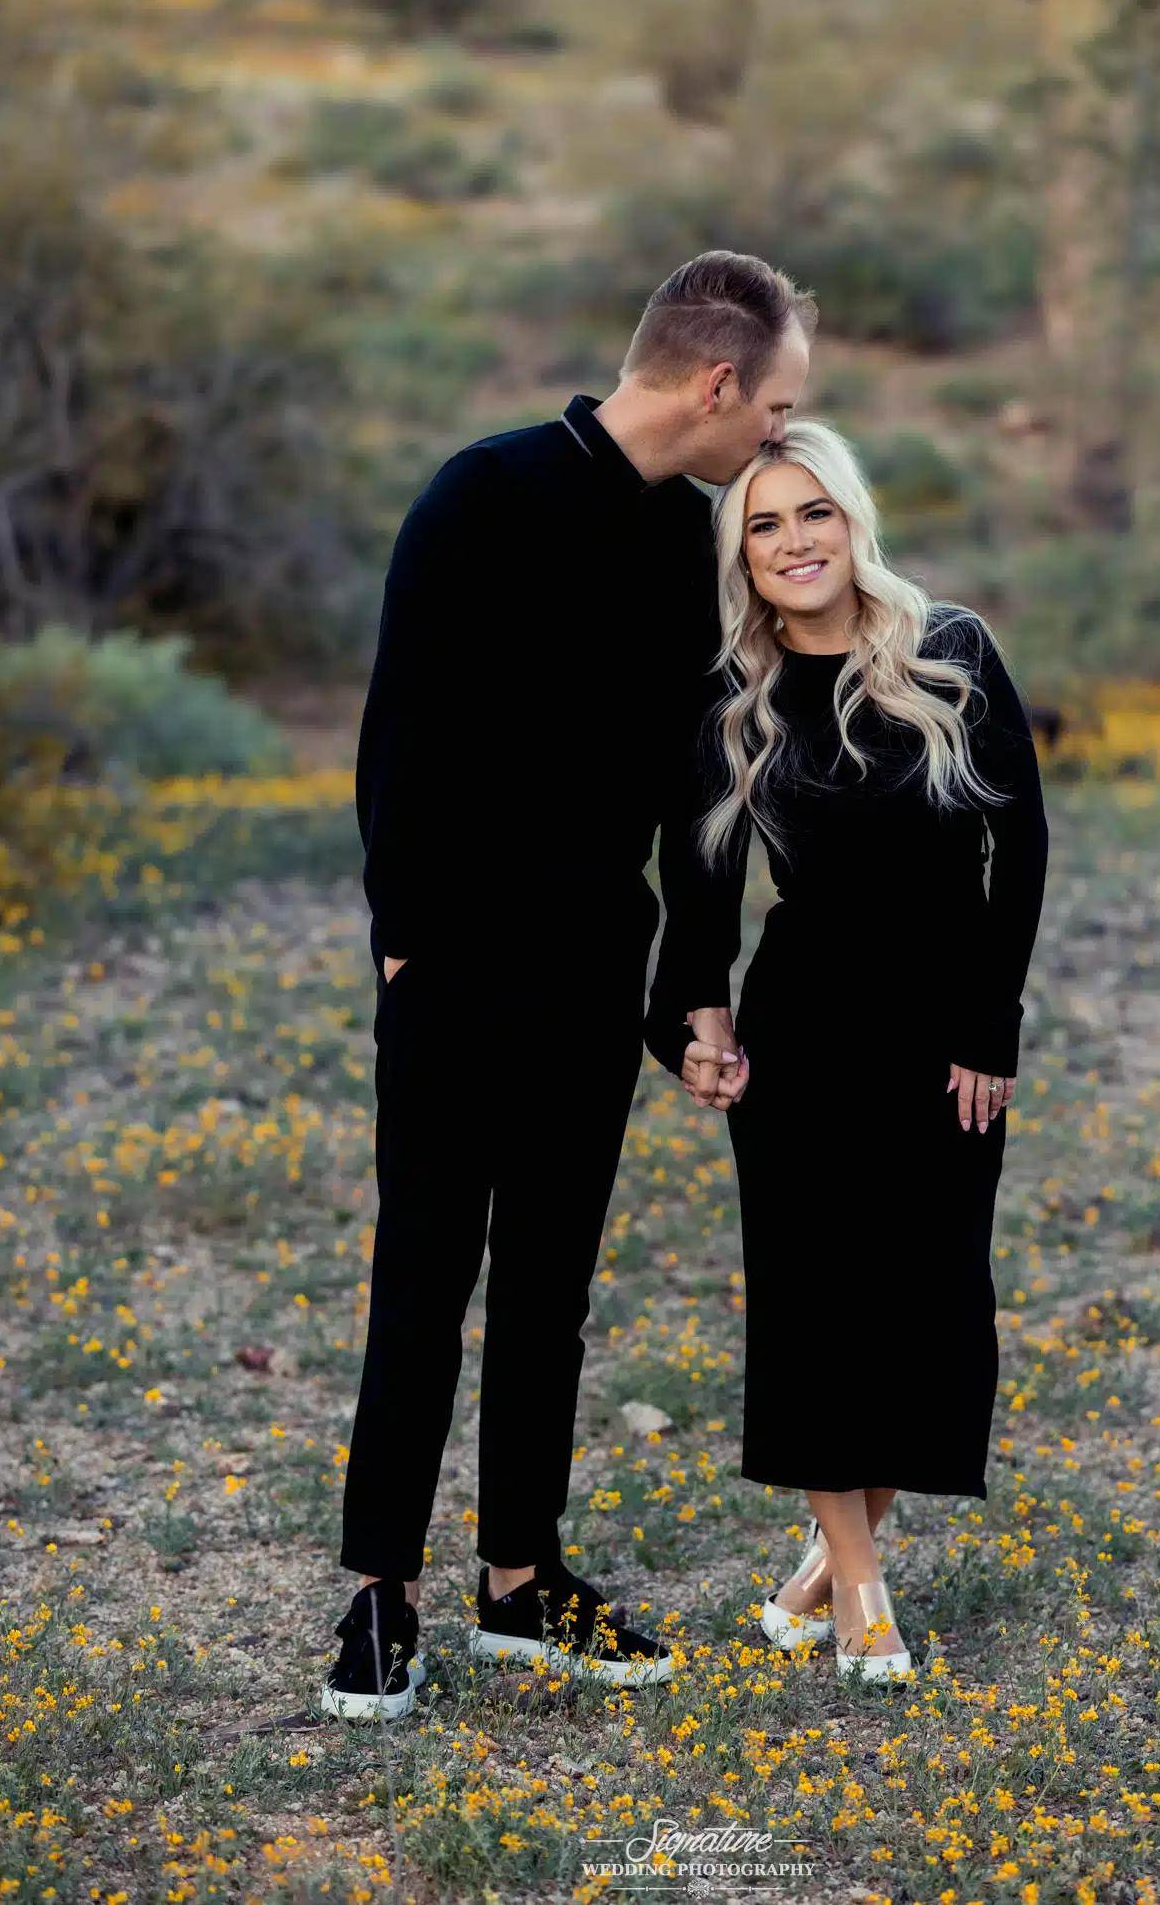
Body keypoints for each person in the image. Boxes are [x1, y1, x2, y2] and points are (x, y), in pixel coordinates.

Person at [321, 253, 813, 1719]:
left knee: (551, 1291)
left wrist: (683, 988)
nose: (779, 439)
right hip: (456, 967)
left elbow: (699, 786)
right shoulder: (479, 495)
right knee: (422, 1281)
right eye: (777, 408)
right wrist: (403, 940)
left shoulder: (689, 543)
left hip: (593, 968)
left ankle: (519, 1589)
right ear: (714, 384)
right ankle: (378, 1599)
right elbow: (395, 736)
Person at [644, 419, 1049, 1686]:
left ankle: (822, 1568)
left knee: (931, 1312)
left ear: (853, 520)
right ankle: (864, 1597)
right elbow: (698, 878)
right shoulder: (730, 697)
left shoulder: (951, 651)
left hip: (941, 1042)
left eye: (812, 513)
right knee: (823, 1316)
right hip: (805, 1040)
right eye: (763, 525)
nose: (793, 541)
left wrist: (993, 1025)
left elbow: (1018, 848)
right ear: (743, 558)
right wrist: (692, 1014)